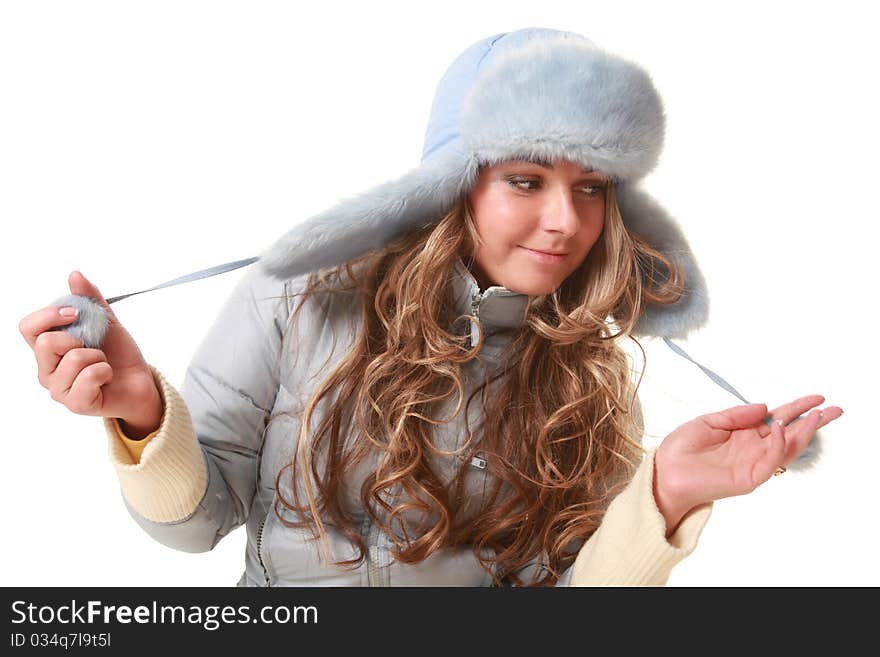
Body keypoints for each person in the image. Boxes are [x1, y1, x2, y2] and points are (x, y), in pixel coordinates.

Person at [19, 27, 842, 586]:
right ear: (455, 185)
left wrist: (662, 497)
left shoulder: (588, 370)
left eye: (591, 188)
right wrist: (138, 412)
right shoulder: (300, 296)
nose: (567, 220)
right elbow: (191, 528)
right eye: (527, 180)